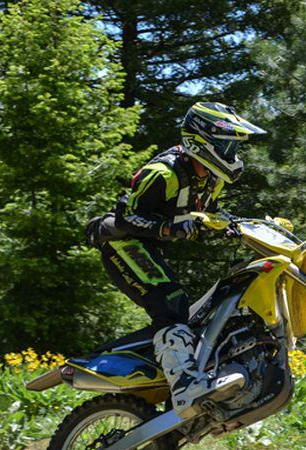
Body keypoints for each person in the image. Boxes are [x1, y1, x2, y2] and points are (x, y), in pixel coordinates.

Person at [85, 102, 266, 418]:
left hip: (149, 246)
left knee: (207, 306)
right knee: (170, 301)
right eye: (226, 144)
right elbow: (126, 218)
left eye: (233, 145)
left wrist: (235, 225)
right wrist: (168, 227)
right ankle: (184, 385)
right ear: (201, 138)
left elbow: (210, 212)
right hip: (122, 243)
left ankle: (188, 369)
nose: (231, 152)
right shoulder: (163, 173)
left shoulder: (213, 177)